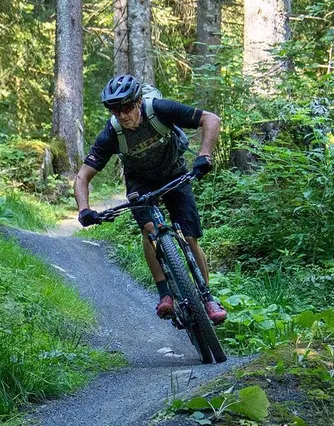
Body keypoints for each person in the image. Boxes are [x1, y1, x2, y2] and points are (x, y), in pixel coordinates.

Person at [74, 74, 228, 324]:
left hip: (174, 173)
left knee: (189, 236)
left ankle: (207, 297)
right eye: (115, 109)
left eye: (126, 107)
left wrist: (205, 155)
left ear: (137, 102)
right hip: (140, 182)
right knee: (149, 230)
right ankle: (164, 294)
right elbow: (82, 177)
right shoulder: (112, 134)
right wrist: (84, 209)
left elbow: (211, 119)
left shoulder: (160, 110)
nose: (122, 115)